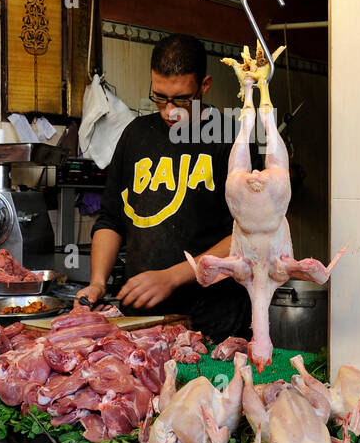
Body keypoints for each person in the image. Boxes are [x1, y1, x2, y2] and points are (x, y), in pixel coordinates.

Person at [76, 33, 252, 340]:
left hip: (214, 319)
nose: (170, 110)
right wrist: (98, 282)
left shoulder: (232, 138)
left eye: (181, 99)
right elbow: (111, 219)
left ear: (204, 86)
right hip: (142, 319)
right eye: (159, 97)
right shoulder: (135, 135)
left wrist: (172, 277)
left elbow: (248, 234)